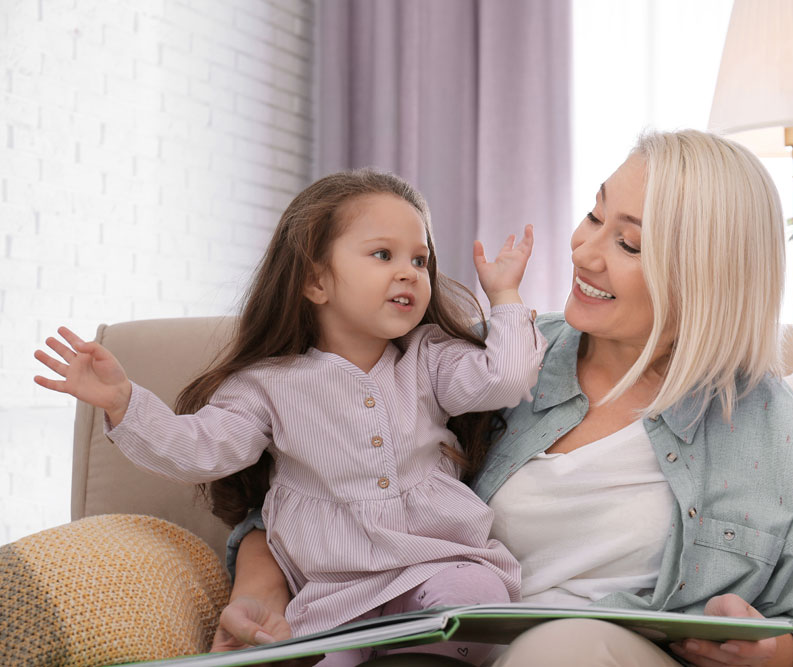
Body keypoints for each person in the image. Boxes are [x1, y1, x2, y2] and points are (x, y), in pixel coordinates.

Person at [205, 130, 793, 667]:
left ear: (706, 281)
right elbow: (330, 492)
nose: (584, 250)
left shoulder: (764, 421)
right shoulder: (499, 364)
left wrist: (773, 656)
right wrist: (261, 582)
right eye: (595, 215)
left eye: (628, 243)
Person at [33, 169, 549, 667]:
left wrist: (503, 296)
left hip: (438, 564)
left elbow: (505, 378)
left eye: (420, 259)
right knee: (313, 656)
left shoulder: (430, 359)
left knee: (473, 601)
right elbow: (201, 449)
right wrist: (125, 403)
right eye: (383, 254)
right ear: (314, 281)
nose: (408, 272)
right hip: (332, 595)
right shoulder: (267, 385)